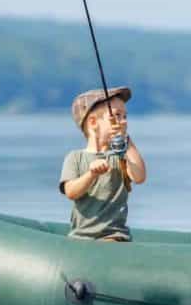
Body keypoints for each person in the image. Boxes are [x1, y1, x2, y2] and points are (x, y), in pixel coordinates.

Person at [59, 87, 147, 241]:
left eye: (125, 116)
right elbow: (71, 192)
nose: (124, 121)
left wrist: (126, 140)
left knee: (111, 243)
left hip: (114, 235)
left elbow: (139, 177)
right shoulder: (74, 157)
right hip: (79, 236)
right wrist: (91, 174)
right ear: (93, 122)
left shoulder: (120, 156)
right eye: (117, 115)